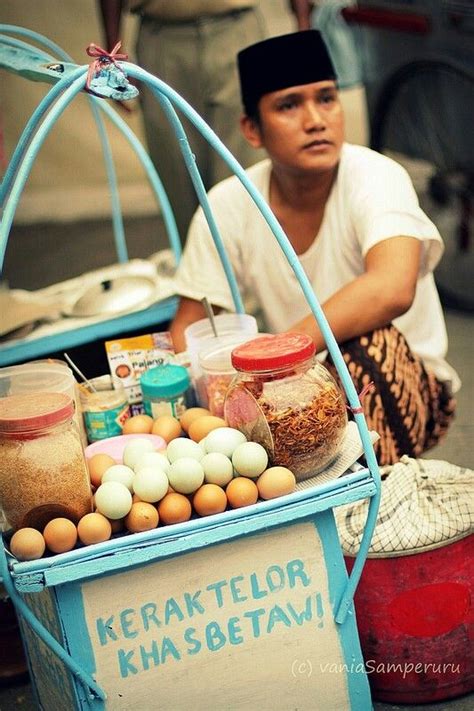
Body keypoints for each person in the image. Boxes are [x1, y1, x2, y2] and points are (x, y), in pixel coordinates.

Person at [169, 29, 460, 465]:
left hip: (406, 383)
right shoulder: (228, 204)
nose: (316, 119)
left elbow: (392, 287)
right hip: (294, 390)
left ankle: (365, 497)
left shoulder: (376, 176)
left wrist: (279, 353)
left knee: (368, 346)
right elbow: (188, 328)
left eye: (326, 98)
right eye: (289, 105)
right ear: (252, 128)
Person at [98, 1, 309, 243]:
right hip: (161, 35)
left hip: (237, 28)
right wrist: (111, 47)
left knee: (244, 173)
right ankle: (194, 269)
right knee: (176, 171)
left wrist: (303, 21)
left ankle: (245, 270)